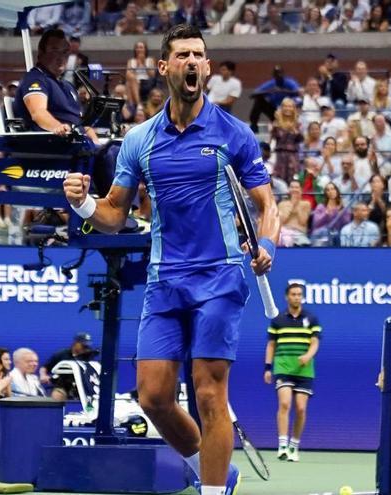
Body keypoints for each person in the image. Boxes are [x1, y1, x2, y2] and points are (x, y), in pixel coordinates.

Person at [62, 25, 279, 495]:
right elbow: (115, 215)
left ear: (206, 66)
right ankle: (215, 469)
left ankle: (213, 491)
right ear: (165, 68)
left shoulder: (233, 134)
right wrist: (82, 205)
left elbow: (267, 204)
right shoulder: (141, 139)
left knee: (207, 392)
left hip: (219, 277)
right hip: (165, 280)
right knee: (154, 398)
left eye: (200, 55)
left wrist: (267, 246)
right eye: (183, 55)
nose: (194, 62)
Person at [264, 283, 320, 463]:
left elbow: (315, 342)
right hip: (283, 368)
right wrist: (267, 367)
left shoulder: (311, 319)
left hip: (305, 370)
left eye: (299, 294)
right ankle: (282, 445)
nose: (296, 297)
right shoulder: (278, 319)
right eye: (293, 294)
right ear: (287, 297)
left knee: (301, 408)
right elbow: (271, 345)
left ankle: (294, 446)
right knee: (285, 404)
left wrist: (308, 355)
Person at [13, 29, 95, 142]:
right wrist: (57, 127)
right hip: (55, 146)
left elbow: (82, 123)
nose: (61, 57)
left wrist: (97, 143)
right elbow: (38, 113)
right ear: (41, 53)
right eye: (54, 51)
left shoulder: (68, 86)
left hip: (81, 144)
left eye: (65, 52)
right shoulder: (35, 79)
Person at [42, 332, 99, 399]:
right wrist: (43, 375)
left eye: (87, 346)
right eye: (83, 346)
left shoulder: (88, 356)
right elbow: (45, 367)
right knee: (57, 394)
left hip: (82, 386)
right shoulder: (62, 354)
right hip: (63, 385)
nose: (85, 348)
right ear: (75, 343)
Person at [249, 66, 300, 133]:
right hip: (275, 112)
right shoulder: (271, 84)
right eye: (277, 74)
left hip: (288, 110)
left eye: (280, 73)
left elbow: (298, 92)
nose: (279, 75)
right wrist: (269, 91)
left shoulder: (289, 82)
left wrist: (282, 91)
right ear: (274, 75)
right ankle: (254, 126)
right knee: (258, 101)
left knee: (297, 102)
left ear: (283, 74)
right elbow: (252, 95)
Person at [277, 180, 311, 247]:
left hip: (299, 233)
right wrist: (291, 205)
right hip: (283, 232)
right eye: (292, 187)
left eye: (296, 187)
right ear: (289, 189)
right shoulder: (282, 204)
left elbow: (303, 221)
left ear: (301, 190)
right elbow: (281, 221)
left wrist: (297, 204)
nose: (294, 189)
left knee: (289, 240)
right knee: (282, 238)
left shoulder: (306, 204)